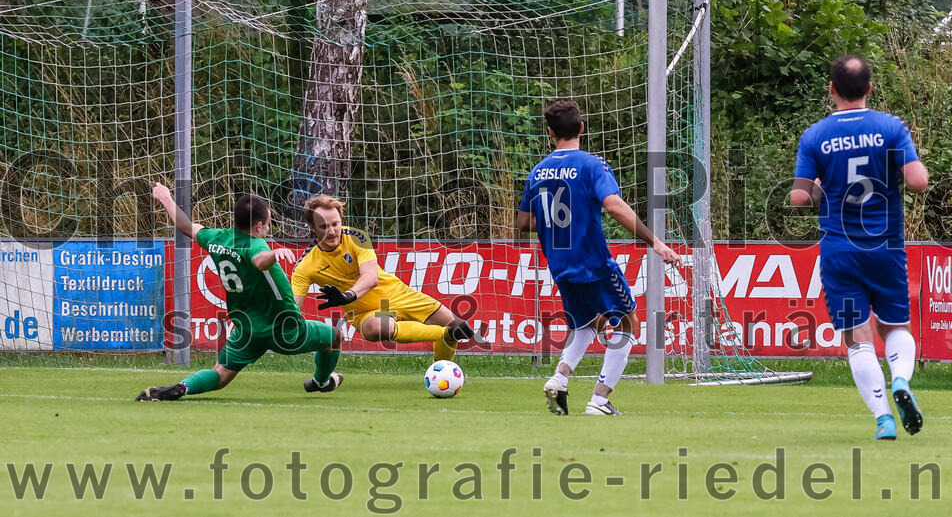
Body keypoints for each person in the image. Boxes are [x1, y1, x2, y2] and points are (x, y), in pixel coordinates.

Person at [791, 55, 929, 440]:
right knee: (895, 325)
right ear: (869, 87)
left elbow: (800, 197)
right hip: (885, 249)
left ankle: (884, 418)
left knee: (856, 337)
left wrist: (822, 187)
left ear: (832, 89)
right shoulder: (890, 127)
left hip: (840, 252)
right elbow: (918, 181)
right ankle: (900, 379)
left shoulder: (816, 135)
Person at [517, 99, 683, 416]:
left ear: (550, 132)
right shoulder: (593, 166)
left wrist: (560, 222)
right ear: (582, 128)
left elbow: (524, 222)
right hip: (594, 263)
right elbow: (614, 205)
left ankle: (559, 377)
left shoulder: (537, 172)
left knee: (586, 323)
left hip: (560, 265)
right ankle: (599, 400)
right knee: (628, 324)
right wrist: (656, 242)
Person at [136, 184, 343, 401]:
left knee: (220, 375)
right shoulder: (256, 245)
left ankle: (183, 387)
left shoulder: (217, 238)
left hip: (247, 329)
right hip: (285, 329)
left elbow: (187, 227)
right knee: (334, 337)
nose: (268, 228)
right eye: (268, 223)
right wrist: (275, 254)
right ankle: (321, 381)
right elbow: (259, 261)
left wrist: (166, 198)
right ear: (259, 225)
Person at [290, 195, 476, 361]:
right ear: (313, 227)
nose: (332, 231)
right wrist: (284, 321)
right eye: (324, 226)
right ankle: (446, 334)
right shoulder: (305, 265)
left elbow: (371, 278)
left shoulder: (356, 237)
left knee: (460, 326)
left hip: (399, 294)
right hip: (366, 312)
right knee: (379, 328)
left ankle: (441, 371)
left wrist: (347, 295)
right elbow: (292, 306)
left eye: (335, 224)